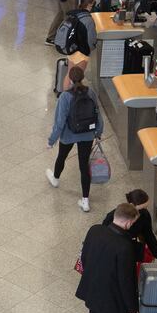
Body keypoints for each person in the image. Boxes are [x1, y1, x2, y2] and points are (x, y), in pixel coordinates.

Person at [76, 203, 140, 313]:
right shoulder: (125, 247)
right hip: (114, 303)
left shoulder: (94, 230)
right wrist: (133, 309)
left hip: (94, 292)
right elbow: (127, 282)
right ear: (129, 223)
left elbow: (84, 258)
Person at [46, 65, 103, 212]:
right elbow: (98, 114)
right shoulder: (90, 92)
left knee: (62, 156)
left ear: (69, 79)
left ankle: (56, 179)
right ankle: (85, 201)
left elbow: (59, 123)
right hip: (87, 134)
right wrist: (98, 132)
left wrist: (52, 140)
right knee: (84, 166)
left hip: (69, 134)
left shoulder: (65, 96)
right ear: (82, 78)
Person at [103, 189, 157, 271]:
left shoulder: (144, 215)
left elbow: (149, 236)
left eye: (146, 207)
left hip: (129, 248)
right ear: (131, 205)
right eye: (142, 208)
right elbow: (104, 239)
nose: (145, 210)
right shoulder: (112, 217)